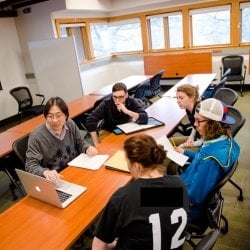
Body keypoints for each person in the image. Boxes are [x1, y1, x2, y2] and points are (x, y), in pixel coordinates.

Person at [92, 134, 189, 250]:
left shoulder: (123, 197)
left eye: (127, 162)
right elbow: (154, 207)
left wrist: (113, 245)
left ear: (137, 166)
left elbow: (98, 247)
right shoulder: (178, 184)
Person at [175, 98, 240, 223]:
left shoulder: (210, 161)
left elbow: (194, 197)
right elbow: (202, 158)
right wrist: (185, 152)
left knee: (141, 199)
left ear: (213, 124)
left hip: (189, 209)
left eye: (199, 121)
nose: (195, 124)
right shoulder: (224, 140)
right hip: (187, 186)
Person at [25, 97, 97, 182]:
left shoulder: (70, 124)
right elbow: (30, 165)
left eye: (58, 116)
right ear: (45, 116)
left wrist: (87, 148)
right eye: (50, 116)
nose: (55, 120)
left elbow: (80, 142)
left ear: (66, 115)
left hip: (76, 169)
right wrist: (45, 172)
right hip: (56, 179)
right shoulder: (37, 135)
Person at [173, 84, 202, 148]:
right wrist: (191, 137)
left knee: (176, 150)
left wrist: (183, 145)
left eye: (181, 98)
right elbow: (195, 126)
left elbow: (205, 141)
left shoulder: (200, 112)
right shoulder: (188, 108)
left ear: (192, 98)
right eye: (177, 98)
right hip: (196, 138)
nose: (178, 101)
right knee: (169, 141)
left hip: (203, 146)